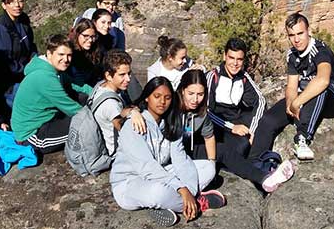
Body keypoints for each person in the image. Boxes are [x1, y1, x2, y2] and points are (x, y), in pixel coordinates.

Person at [110, 77, 226, 227]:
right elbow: (146, 167)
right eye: (157, 96)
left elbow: (180, 159)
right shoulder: (134, 125)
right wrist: (181, 189)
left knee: (208, 168)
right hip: (130, 182)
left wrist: (188, 190)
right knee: (158, 193)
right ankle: (195, 204)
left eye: (167, 97)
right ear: (147, 97)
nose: (162, 102)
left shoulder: (170, 123)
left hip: (161, 172)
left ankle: (175, 202)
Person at [248, 13, 334, 162]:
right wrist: (289, 104)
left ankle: (302, 138)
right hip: (303, 95)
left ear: (308, 31)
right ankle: (255, 161)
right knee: (268, 120)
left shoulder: (320, 50)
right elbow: (292, 85)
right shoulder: (292, 55)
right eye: (292, 35)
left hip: (330, 99)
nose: (297, 39)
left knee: (318, 88)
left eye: (300, 33)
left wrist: (296, 103)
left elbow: (323, 80)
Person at [181, 69, 295, 193]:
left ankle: (265, 178)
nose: (195, 99)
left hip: (191, 149)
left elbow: (209, 138)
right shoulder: (173, 110)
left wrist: (210, 169)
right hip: (174, 156)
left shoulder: (201, 111)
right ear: (182, 91)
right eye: (191, 93)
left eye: (200, 94)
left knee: (224, 151)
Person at [11, 34, 93, 154]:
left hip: (47, 119)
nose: (66, 59)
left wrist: (99, 93)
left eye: (69, 55)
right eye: (61, 55)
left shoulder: (53, 70)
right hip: (33, 135)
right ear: (49, 54)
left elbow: (76, 85)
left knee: (85, 99)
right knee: (85, 124)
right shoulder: (44, 77)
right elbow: (71, 108)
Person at [206, 38, 265, 158]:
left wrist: (252, 131)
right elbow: (205, 111)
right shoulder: (212, 77)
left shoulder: (244, 78)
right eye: (231, 58)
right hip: (215, 125)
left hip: (237, 122)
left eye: (239, 59)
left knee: (248, 142)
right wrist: (231, 127)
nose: (235, 63)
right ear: (224, 56)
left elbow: (260, 101)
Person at [0, 0, 38, 114]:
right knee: (33, 103)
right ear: (4, 5)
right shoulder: (1, 28)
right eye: (11, 2)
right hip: (7, 83)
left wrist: (37, 61)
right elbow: (1, 62)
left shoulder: (23, 21)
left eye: (19, 1)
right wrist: (26, 70)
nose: (17, 5)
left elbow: (31, 46)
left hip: (23, 74)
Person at [90, 49, 146, 157]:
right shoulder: (110, 104)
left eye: (129, 74)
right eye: (122, 75)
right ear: (109, 76)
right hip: (117, 151)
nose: (128, 79)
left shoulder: (100, 86)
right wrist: (133, 112)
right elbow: (124, 130)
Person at [68, 19, 104, 89]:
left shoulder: (96, 50)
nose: (90, 40)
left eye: (93, 36)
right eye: (86, 36)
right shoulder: (69, 53)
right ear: (77, 34)